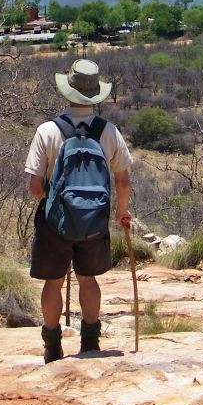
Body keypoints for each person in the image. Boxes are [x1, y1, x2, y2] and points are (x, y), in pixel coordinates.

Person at [25, 59, 132, 364]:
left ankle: (52, 346)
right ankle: (89, 342)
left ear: (67, 90)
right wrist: (121, 212)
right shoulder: (108, 131)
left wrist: (57, 200)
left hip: (53, 221)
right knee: (88, 279)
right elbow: (122, 178)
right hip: (94, 221)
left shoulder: (47, 131)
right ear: (96, 93)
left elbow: (35, 188)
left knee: (53, 282)